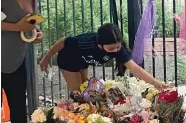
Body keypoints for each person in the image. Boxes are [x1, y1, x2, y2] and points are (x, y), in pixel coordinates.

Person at [39, 23, 169, 91]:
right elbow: (63, 41)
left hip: (83, 60)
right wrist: (46, 59)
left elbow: (134, 68)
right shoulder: (86, 42)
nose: (115, 51)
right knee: (78, 92)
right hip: (69, 57)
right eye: (111, 48)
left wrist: (156, 83)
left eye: (117, 47)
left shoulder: (118, 49)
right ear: (100, 45)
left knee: (87, 90)